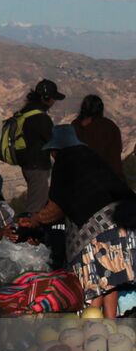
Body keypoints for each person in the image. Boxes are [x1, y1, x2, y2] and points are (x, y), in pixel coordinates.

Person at [30, 125, 136, 317]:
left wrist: (35, 219)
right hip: (126, 222)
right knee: (112, 280)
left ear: (55, 150)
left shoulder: (65, 160)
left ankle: (91, 333)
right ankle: (112, 325)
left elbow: (54, 209)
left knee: (94, 284)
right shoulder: (90, 156)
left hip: (98, 232)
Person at [10, 79, 64, 215]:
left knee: (37, 202)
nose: (53, 102)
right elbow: (53, 143)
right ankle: (30, 232)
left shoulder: (26, 112)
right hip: (37, 167)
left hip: (28, 165)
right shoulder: (40, 118)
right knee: (36, 208)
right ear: (46, 98)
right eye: (53, 98)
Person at [73, 94, 124, 178]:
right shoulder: (110, 126)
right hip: (108, 177)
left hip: (81, 177)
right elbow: (116, 152)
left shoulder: (75, 126)